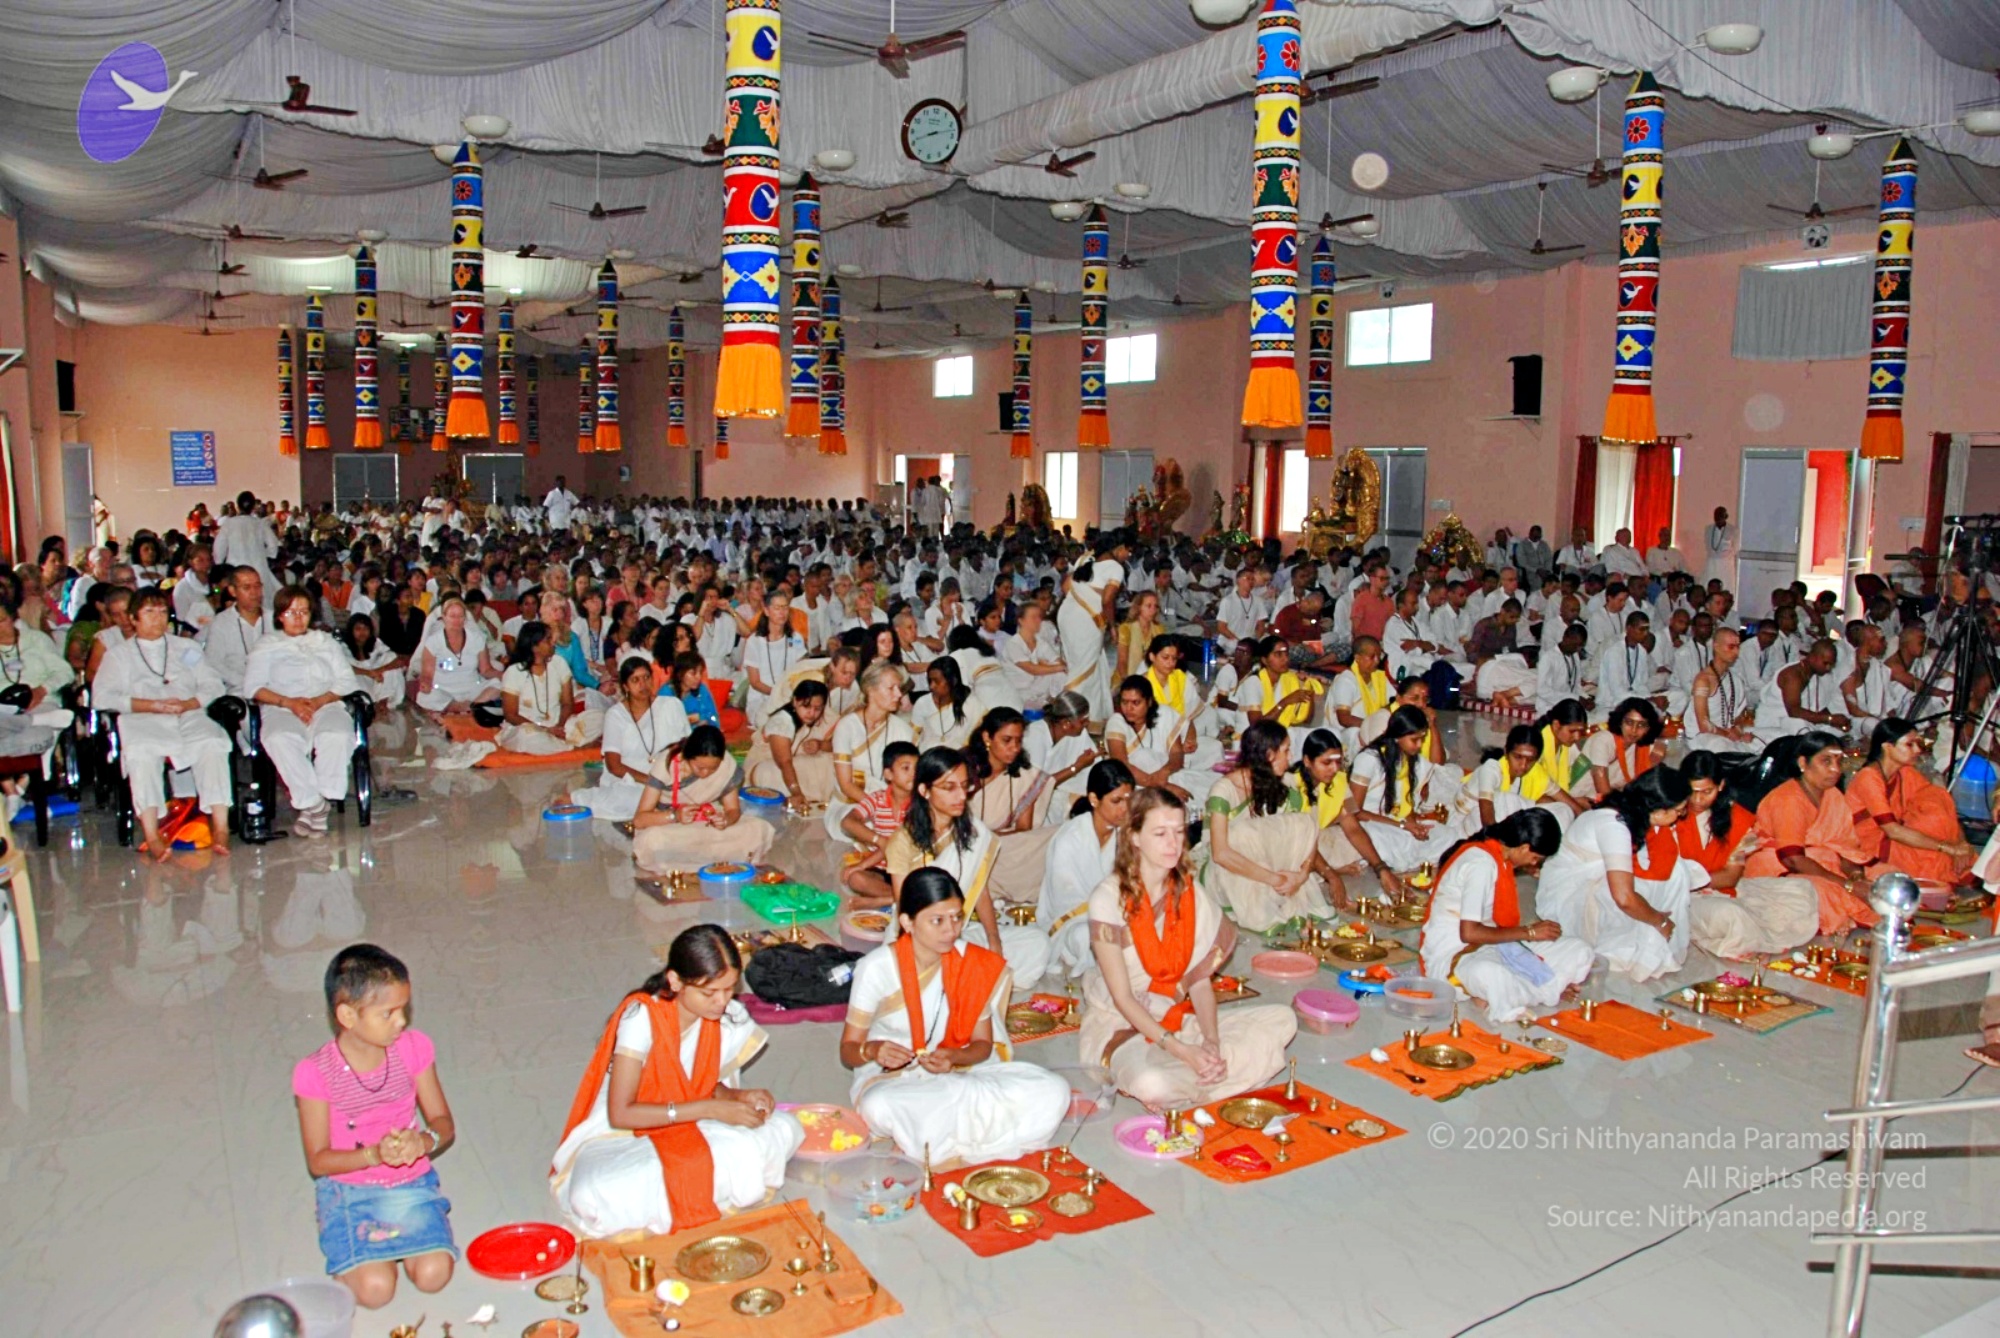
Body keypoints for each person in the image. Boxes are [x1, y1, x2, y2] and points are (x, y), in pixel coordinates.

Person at [551, 925, 801, 1237]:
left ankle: (675, 1196)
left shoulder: (727, 1016)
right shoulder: (641, 1018)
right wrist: (710, 1109)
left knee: (786, 1128)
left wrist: (737, 1097)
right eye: (709, 993)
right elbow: (621, 1113)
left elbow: (700, 1084)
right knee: (596, 1191)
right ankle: (692, 1191)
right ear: (675, 981)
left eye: (729, 989)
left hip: (692, 1118)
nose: (722, 1002)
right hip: (623, 1134)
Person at [1078, 787, 1296, 1110]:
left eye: (1179, 832)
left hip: (1175, 1017)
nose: (1173, 844)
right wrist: (1182, 1051)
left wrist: (1211, 1042)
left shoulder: (1188, 892)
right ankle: (1199, 1076)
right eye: (1160, 833)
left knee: (1284, 1019)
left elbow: (1198, 981)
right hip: (1121, 1024)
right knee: (1152, 1083)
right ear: (1134, 837)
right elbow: (1122, 998)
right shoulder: (1108, 899)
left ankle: (1201, 1073)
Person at [839, 867, 1068, 1163]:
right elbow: (848, 1051)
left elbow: (982, 1045)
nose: (951, 930)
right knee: (879, 1105)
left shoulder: (968, 962)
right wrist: (873, 1050)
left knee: (1054, 1090)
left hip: (960, 1076)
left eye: (957, 917)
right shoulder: (876, 968)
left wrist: (954, 1057)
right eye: (937, 920)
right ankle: (957, 1133)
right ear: (907, 922)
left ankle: (931, 1138)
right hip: (894, 1082)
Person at [292, 945, 456, 1309]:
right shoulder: (315, 1073)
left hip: (410, 1183)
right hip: (351, 1190)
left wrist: (423, 1141)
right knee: (376, 1291)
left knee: (434, 1275)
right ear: (348, 1015)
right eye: (389, 1013)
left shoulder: (413, 1048)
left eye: (403, 1009)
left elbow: (444, 1124)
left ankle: (376, 1251)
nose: (402, 1021)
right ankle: (342, 1232)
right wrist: (374, 1155)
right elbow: (318, 1161)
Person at [884, 745, 1051, 988]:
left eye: (964, 786)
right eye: (949, 787)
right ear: (924, 790)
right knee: (938, 968)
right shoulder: (903, 842)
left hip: (958, 930)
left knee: (1037, 943)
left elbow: (979, 888)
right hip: (920, 937)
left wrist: (994, 940)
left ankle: (970, 979)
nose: (961, 796)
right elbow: (906, 911)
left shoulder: (973, 832)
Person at [92, 587, 233, 860]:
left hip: (187, 714)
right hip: (142, 719)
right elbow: (102, 697)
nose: (157, 618)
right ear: (133, 618)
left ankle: (220, 826)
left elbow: (212, 683)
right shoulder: (118, 655)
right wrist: (151, 705)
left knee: (213, 742)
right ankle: (153, 834)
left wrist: (190, 703)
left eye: (162, 611)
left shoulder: (186, 648)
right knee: (142, 754)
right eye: (149, 612)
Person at [1420, 809, 1591, 1023]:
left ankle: (1520, 989)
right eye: (1535, 858)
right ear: (1524, 847)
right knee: (1489, 973)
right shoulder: (1481, 865)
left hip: (1494, 946)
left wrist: (1527, 935)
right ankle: (1542, 987)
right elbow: (1469, 933)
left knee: (1579, 950)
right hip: (1455, 956)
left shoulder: (1499, 859)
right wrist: (1529, 932)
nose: (1533, 864)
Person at [1535, 768, 1695, 981]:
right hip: (1568, 900)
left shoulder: (1630, 814)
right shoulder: (1614, 824)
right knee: (1643, 901)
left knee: (1675, 871)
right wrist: (1659, 921)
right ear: (1658, 811)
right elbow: (1624, 898)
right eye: (1679, 811)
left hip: (1593, 885)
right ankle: (1637, 942)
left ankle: (1648, 936)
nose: (1681, 816)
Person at [1674, 751, 1819, 959]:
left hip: (1723, 889)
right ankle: (1738, 938)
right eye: (1692, 791)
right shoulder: (1669, 813)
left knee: (1802, 891)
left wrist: (1697, 881)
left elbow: (1731, 877)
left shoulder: (1740, 819)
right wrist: (1686, 884)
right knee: (1731, 915)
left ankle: (1745, 935)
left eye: (1706, 792)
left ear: (1721, 785)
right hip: (1681, 897)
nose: (1697, 800)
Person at [244, 585, 362, 838]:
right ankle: (315, 803)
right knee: (279, 737)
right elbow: (253, 687)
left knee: (336, 734)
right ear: (279, 616)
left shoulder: (325, 642)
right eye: (291, 612)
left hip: (325, 703)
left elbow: (346, 680)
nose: (298, 618)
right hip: (281, 707)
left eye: (304, 612)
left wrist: (318, 702)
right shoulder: (267, 645)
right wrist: (290, 703)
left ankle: (317, 805)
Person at [1200, 720, 1339, 931]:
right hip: (1225, 872)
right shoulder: (1224, 790)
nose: (1291, 757)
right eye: (1286, 750)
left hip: (1266, 867)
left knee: (1303, 821)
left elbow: (1307, 833)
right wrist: (1275, 879)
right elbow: (1220, 854)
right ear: (1269, 755)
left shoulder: (1282, 783)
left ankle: (1283, 891)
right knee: (1242, 834)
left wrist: (1301, 877)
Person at [1740, 730, 1878, 935]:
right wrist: (1848, 886)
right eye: (1826, 761)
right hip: (1778, 869)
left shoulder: (1833, 795)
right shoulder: (1789, 799)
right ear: (1803, 763)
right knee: (1826, 892)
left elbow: (1843, 848)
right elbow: (1793, 859)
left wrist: (1856, 877)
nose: (1835, 769)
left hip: (1822, 865)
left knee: (1883, 877)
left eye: (1839, 761)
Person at [630, 725, 776, 874]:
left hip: (707, 822)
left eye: (713, 768)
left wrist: (726, 820)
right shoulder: (666, 766)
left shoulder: (727, 766)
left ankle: (697, 857)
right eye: (700, 767)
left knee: (758, 828)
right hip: (672, 826)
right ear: (686, 756)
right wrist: (675, 816)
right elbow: (639, 820)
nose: (706, 773)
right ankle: (713, 856)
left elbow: (733, 810)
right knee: (653, 839)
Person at [1036, 760, 1134, 978]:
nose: (1125, 809)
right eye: (1116, 801)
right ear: (1094, 799)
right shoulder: (1069, 839)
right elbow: (1066, 902)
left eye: (1129, 799)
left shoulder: (1127, 835)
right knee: (1087, 937)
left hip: (1119, 915)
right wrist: (1111, 912)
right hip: (1075, 922)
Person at [1846, 718, 1975, 883]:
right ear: (1887, 747)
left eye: (1917, 743)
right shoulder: (1868, 777)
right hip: (1873, 844)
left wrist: (1960, 843)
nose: (1917, 750)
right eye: (1909, 745)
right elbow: (1892, 831)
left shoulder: (1905, 772)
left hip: (1898, 836)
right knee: (1931, 854)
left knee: (1938, 796)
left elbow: (1943, 808)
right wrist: (1948, 848)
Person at [1286, 728, 1402, 909]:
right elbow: (1299, 841)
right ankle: (1324, 871)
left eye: (1338, 762)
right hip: (1294, 845)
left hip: (1318, 841)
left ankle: (1322, 870)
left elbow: (1352, 828)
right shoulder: (1290, 784)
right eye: (1326, 763)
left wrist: (1381, 869)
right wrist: (1332, 876)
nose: (1334, 769)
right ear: (1307, 761)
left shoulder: (1340, 781)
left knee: (1355, 838)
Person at [1350, 705, 1471, 870]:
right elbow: (1354, 812)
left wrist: (1413, 824)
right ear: (1397, 736)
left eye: (1422, 738)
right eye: (1414, 740)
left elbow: (1408, 805)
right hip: (1371, 824)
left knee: (1449, 836)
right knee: (1391, 841)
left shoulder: (1411, 759)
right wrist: (1401, 825)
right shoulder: (1369, 759)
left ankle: (1411, 852)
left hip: (1399, 823)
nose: (1420, 745)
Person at [571, 657, 691, 822]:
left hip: (670, 778)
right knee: (634, 799)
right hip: (630, 782)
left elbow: (687, 749)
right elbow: (614, 766)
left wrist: (675, 779)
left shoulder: (671, 705)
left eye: (646, 677)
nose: (643, 684)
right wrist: (653, 782)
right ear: (625, 686)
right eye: (635, 680)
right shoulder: (616, 715)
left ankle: (661, 808)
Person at [964, 706, 1058, 905]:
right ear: (987, 738)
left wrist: (992, 838)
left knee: (1056, 836)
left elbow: (1024, 829)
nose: (1014, 748)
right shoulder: (964, 770)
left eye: (1018, 741)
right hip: (966, 846)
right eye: (1007, 740)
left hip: (1004, 845)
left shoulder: (1024, 775)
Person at [825, 660, 916, 843]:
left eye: (899, 688)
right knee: (862, 825)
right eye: (891, 688)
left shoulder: (903, 730)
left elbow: (911, 778)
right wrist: (880, 810)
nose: (899, 694)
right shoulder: (847, 726)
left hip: (893, 805)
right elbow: (846, 784)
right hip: (850, 805)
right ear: (871, 690)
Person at [1104, 675, 1218, 808]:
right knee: (1143, 756)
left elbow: (1176, 753)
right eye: (1124, 702)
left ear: (1149, 702)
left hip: (1165, 774)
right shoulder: (1116, 722)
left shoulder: (1164, 714)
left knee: (1211, 785)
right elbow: (1121, 765)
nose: (1129, 708)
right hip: (1134, 781)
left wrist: (1165, 771)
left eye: (1136, 703)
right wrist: (1164, 786)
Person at [839, 741, 920, 907]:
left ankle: (884, 900)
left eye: (917, 769)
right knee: (855, 878)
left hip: (909, 869)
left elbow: (894, 847)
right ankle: (900, 899)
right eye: (906, 768)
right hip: (882, 869)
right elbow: (848, 822)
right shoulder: (877, 799)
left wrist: (862, 864)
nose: (913, 774)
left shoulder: (919, 805)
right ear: (888, 774)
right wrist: (878, 840)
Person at [497, 621, 598, 755]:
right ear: (535, 647)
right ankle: (570, 746)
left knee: (598, 717)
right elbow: (511, 715)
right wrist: (545, 730)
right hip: (528, 727)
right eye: (548, 639)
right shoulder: (514, 672)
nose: (553, 643)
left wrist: (560, 726)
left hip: (559, 724)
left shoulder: (559, 663)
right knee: (526, 736)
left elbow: (567, 703)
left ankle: (558, 744)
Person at [743, 679, 835, 808]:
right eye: (806, 707)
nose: (811, 713)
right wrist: (796, 792)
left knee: (828, 760)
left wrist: (820, 745)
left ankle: (812, 797)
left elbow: (838, 746)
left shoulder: (821, 718)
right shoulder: (781, 722)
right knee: (771, 771)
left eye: (817, 709)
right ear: (795, 701)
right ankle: (797, 797)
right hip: (767, 769)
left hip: (793, 766)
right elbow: (784, 763)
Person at [1057, 554, 1122, 724]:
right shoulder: (1114, 566)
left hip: (1068, 614)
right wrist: (1112, 626)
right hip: (1086, 619)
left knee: (1090, 665)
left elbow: (1065, 587)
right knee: (1083, 668)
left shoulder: (1084, 559)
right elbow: (1107, 600)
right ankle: (1068, 714)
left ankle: (1093, 716)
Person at [414, 597, 500, 718]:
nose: (457, 620)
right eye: (452, 616)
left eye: (460, 616)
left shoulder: (477, 638)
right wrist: (425, 683)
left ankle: (471, 706)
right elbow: (427, 674)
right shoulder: (433, 642)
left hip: (472, 688)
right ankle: (459, 707)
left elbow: (486, 670)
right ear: (444, 618)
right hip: (444, 690)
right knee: (425, 697)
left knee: (498, 684)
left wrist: (505, 675)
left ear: (465, 618)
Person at [1685, 626, 1759, 753]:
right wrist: (1729, 735)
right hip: (1703, 736)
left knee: (1764, 738)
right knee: (1722, 746)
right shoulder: (1703, 680)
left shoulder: (1736, 679)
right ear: (1716, 646)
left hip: (1729, 732)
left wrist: (1738, 730)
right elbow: (1704, 725)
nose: (1736, 652)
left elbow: (1739, 716)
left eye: (1738, 647)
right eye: (1731, 647)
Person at [1575, 697, 1664, 801]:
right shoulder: (1603, 740)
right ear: (1620, 722)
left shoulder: (1644, 745)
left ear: (1649, 728)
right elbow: (1604, 793)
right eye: (1629, 722)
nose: (1634, 730)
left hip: (1618, 798)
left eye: (1641, 725)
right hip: (1583, 798)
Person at [200, 565, 266, 694]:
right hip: (238, 691)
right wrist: (247, 683)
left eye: (257, 586)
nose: (254, 592)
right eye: (246, 587)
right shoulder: (221, 622)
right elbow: (213, 663)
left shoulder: (274, 619)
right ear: (232, 591)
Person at [1327, 636, 1392, 754]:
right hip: (1343, 735)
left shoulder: (1379, 678)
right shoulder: (1346, 680)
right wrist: (1372, 726)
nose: (1377, 661)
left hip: (1374, 730)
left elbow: (1393, 702)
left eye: (1379, 656)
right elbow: (1344, 719)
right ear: (1357, 658)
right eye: (1372, 657)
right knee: (1355, 733)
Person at [341, 614, 407, 708]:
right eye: (358, 629)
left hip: (377, 681)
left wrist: (379, 670)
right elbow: (342, 667)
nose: (362, 632)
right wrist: (369, 673)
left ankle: (383, 702)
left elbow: (397, 660)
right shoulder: (343, 647)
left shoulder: (376, 643)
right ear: (351, 630)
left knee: (391, 659)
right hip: (360, 683)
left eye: (365, 629)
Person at [1702, 506, 1738, 593]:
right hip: (1712, 563)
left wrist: (1724, 556)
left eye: (1720, 516)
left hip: (1726, 564)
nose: (1718, 518)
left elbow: (1736, 548)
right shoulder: (1708, 529)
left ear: (1726, 516)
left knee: (1726, 587)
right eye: (1716, 516)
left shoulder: (1733, 530)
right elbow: (1707, 546)